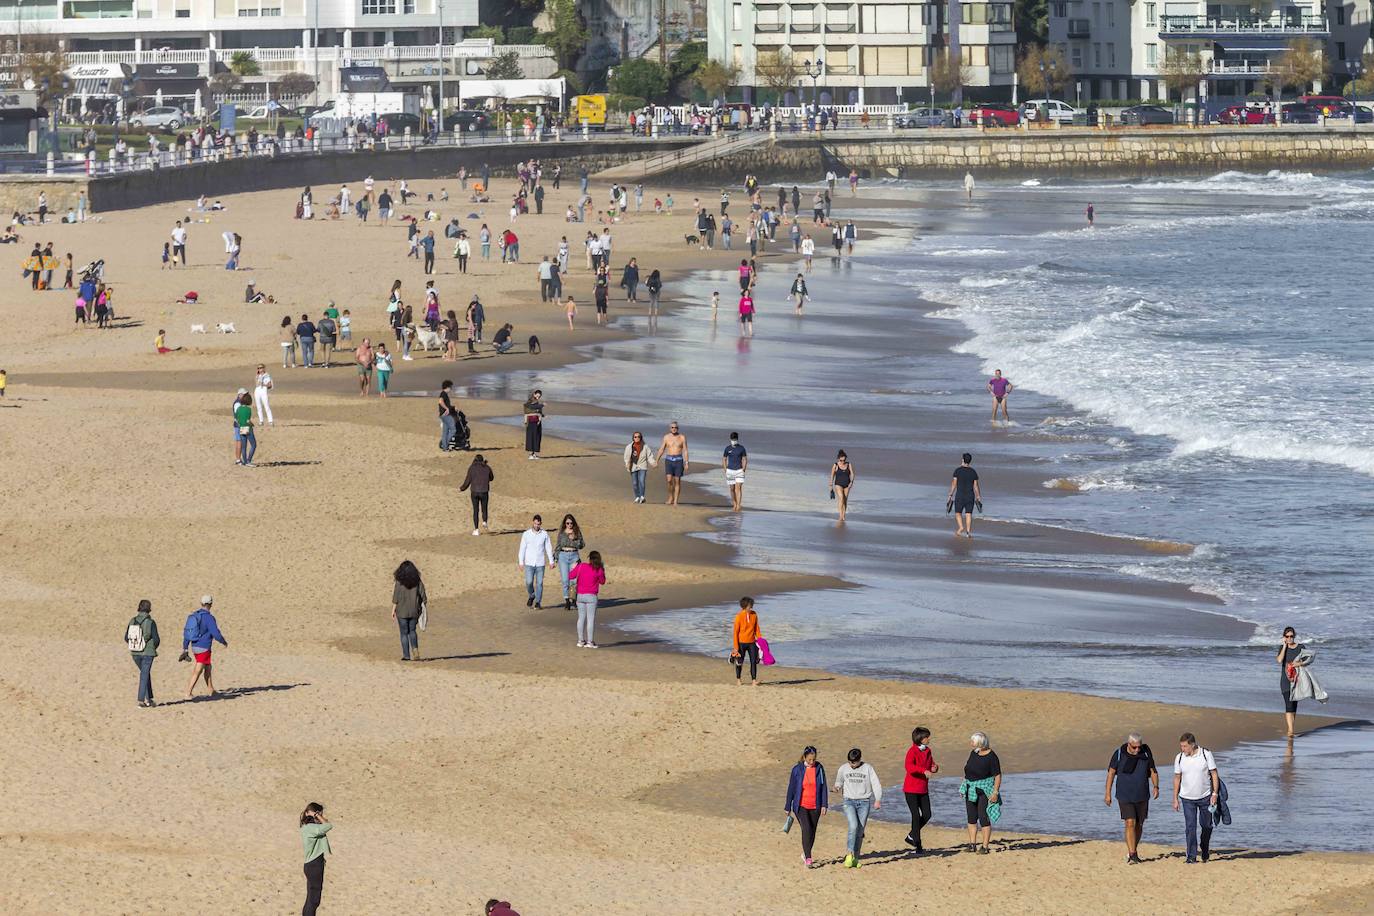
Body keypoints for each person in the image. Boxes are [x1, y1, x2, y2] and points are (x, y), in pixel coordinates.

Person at [1104, 732, 1159, 865]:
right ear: (1129, 744)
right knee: (1130, 822)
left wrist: (1156, 786)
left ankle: (1132, 850)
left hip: (1142, 794)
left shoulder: (1146, 753)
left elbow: (1153, 771)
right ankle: (1133, 854)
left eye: (1139, 747)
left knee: (1139, 825)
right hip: (1124, 794)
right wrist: (1107, 793)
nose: (1137, 750)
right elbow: (1111, 773)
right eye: (1134, 747)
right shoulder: (1119, 754)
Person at [1171, 733, 1219, 864]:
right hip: (1187, 798)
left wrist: (1215, 794)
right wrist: (1175, 798)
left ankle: (1204, 848)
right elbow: (1177, 778)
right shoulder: (1179, 757)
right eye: (1181, 746)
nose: (1183, 749)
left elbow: (1214, 774)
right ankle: (1191, 856)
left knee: (1207, 826)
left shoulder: (1205, 754)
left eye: (1185, 746)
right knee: (1190, 827)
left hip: (1205, 797)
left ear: (1192, 745)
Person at [833, 748, 883, 868]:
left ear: (859, 760)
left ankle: (856, 857)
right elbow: (839, 781)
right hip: (848, 801)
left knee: (860, 831)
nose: (851, 764)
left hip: (864, 802)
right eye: (850, 762)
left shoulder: (868, 768)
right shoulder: (843, 768)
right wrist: (837, 787)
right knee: (853, 825)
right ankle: (849, 854)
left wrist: (878, 799)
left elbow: (876, 784)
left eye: (854, 762)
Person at [784, 745, 829, 868]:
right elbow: (791, 788)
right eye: (809, 759)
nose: (812, 762)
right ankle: (808, 858)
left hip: (816, 806)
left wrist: (824, 804)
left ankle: (805, 853)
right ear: (804, 757)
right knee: (807, 829)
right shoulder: (797, 770)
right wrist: (788, 806)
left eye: (813, 759)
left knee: (812, 832)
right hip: (801, 806)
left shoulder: (819, 768)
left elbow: (824, 786)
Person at [961, 732, 1002, 855]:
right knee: (971, 817)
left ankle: (985, 847)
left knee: (983, 817)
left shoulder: (992, 756)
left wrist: (995, 792)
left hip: (985, 790)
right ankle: (972, 844)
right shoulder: (974, 753)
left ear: (980, 742)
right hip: (970, 788)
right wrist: (964, 787)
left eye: (973, 741)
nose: (971, 743)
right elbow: (968, 770)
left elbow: (998, 776)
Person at [182, 595, 227, 698]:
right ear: (211, 604)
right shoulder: (209, 618)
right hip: (204, 648)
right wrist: (223, 641)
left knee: (208, 667)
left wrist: (185, 647)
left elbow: (187, 632)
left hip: (194, 646)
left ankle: (211, 690)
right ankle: (188, 692)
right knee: (198, 670)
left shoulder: (195, 615)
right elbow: (215, 633)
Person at [904, 727, 938, 851]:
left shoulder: (928, 750)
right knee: (916, 816)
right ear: (921, 739)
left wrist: (934, 767)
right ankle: (918, 845)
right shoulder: (912, 751)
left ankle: (911, 835)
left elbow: (931, 765)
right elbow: (909, 767)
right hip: (911, 789)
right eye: (927, 737)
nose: (929, 739)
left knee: (927, 815)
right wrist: (923, 770)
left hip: (923, 789)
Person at [125, 598, 160, 707]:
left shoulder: (132, 621)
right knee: (144, 674)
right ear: (149, 609)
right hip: (147, 653)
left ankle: (149, 699)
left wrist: (135, 645)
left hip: (135, 653)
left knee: (145, 673)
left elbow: (126, 638)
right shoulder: (150, 622)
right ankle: (141, 700)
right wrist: (152, 647)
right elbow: (157, 639)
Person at [391, 560, 427, 661]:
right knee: (412, 631)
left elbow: (396, 597)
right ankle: (415, 651)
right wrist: (422, 606)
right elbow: (423, 595)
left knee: (403, 633)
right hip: (414, 610)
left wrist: (393, 610)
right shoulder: (417, 581)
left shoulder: (399, 581)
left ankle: (406, 656)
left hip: (401, 611)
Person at [300, 803, 332, 916]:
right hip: (314, 865)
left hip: (311, 865)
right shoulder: (311, 828)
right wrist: (317, 815)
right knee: (314, 899)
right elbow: (328, 825)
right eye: (320, 814)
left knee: (310, 898)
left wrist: (315, 815)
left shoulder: (307, 828)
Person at [570, 550, 607, 648]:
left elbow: (571, 576)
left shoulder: (581, 566)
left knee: (581, 618)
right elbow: (602, 581)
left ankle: (580, 640)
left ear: (589, 558)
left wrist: (573, 568)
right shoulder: (598, 569)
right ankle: (590, 642)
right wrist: (602, 570)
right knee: (590, 619)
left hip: (580, 596)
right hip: (591, 596)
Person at [517, 515, 554, 609]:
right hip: (529, 563)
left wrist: (551, 561)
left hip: (540, 563)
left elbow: (548, 548)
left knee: (540, 583)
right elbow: (522, 548)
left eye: (538, 524)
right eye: (535, 523)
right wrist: (521, 562)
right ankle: (532, 595)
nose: (537, 525)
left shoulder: (544, 534)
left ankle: (538, 602)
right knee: (529, 582)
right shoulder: (526, 534)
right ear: (532, 522)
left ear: (541, 523)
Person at [1277, 626, 1309, 736]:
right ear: (1284, 637)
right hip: (1285, 681)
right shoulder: (1282, 648)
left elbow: (1308, 660)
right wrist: (1285, 646)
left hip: (1297, 680)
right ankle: (1290, 731)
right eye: (1287, 636)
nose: (1290, 638)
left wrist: (1298, 663)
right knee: (1289, 705)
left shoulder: (1300, 647)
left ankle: (1291, 728)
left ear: (1294, 636)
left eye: (1291, 636)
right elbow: (1279, 660)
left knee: (1294, 706)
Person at [555, 514, 586, 611]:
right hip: (563, 556)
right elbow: (558, 546)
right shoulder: (562, 533)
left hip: (574, 556)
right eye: (567, 523)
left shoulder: (577, 532)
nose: (569, 525)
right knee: (565, 580)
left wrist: (575, 539)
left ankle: (574, 599)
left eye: (571, 523)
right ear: (565, 523)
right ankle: (567, 600)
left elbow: (582, 545)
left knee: (574, 581)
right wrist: (555, 558)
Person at [947, 452, 981, 538]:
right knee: (968, 513)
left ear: (962, 460)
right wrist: (978, 496)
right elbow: (976, 486)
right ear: (970, 461)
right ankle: (968, 532)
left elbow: (954, 484)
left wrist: (950, 494)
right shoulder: (973, 472)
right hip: (970, 496)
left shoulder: (957, 471)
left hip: (960, 495)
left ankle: (961, 527)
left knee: (958, 513)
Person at [731, 596, 762, 686]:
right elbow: (735, 633)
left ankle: (753, 680)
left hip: (752, 642)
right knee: (739, 662)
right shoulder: (739, 616)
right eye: (749, 606)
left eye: (751, 605)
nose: (751, 607)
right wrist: (736, 647)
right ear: (744, 606)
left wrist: (760, 641)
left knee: (754, 661)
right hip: (741, 643)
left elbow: (757, 629)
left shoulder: (754, 614)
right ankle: (738, 679)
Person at [459, 454, 494, 536]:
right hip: (484, 491)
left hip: (474, 491)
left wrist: (462, 488)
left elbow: (467, 481)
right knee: (484, 508)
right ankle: (484, 521)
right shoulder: (487, 467)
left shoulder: (472, 468)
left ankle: (476, 529)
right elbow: (492, 478)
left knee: (476, 510)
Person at [656, 421, 688, 506]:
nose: (674, 429)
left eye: (675, 427)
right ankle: (670, 497)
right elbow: (662, 449)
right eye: (672, 427)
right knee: (669, 480)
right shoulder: (666, 437)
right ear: (670, 428)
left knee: (677, 481)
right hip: (669, 460)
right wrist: (657, 460)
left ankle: (675, 501)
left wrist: (686, 462)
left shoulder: (682, 437)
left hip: (678, 460)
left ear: (678, 428)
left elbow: (685, 450)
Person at [624, 431, 652, 503]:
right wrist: (627, 464)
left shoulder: (645, 446)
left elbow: (649, 456)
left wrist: (653, 463)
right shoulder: (629, 447)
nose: (637, 438)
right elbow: (626, 457)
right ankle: (637, 496)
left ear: (641, 438)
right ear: (633, 438)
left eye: (638, 437)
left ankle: (642, 496)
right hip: (633, 466)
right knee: (635, 483)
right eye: (635, 437)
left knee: (641, 481)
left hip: (642, 465)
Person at [722, 432, 748, 511]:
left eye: (735, 439)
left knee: (738, 488)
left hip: (739, 470)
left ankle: (739, 505)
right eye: (732, 439)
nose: (734, 440)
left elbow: (744, 459)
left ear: (737, 439)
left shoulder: (742, 448)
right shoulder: (727, 448)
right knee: (732, 489)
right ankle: (734, 504)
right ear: (730, 439)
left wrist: (743, 469)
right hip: (730, 470)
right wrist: (725, 469)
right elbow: (724, 459)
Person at [829, 450, 855, 522]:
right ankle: (840, 516)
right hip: (838, 484)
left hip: (847, 484)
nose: (842, 462)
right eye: (841, 460)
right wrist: (830, 485)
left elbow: (852, 474)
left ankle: (843, 515)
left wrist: (851, 482)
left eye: (844, 460)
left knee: (845, 500)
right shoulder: (835, 465)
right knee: (841, 498)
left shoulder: (849, 464)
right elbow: (832, 475)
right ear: (838, 459)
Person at [235, 392, 257, 466]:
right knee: (253, 445)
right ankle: (248, 460)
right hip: (248, 428)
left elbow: (237, 420)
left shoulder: (238, 409)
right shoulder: (248, 409)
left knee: (244, 446)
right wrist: (252, 424)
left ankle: (244, 461)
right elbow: (248, 421)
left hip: (241, 428)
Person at [438, 379, 459, 452]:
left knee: (445, 432)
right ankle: (445, 445)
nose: (451, 389)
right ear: (447, 387)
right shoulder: (443, 393)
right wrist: (446, 408)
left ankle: (445, 448)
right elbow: (440, 401)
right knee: (453, 430)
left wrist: (452, 407)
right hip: (445, 415)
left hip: (442, 415)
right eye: (451, 387)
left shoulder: (443, 394)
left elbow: (446, 404)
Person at [523, 390, 545, 459]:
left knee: (536, 437)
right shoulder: (529, 402)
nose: (538, 397)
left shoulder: (537, 402)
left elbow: (538, 410)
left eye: (539, 396)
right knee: (531, 437)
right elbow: (531, 409)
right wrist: (542, 405)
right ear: (534, 394)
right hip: (531, 421)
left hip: (537, 421)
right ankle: (530, 455)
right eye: (537, 395)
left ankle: (533, 454)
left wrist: (543, 415)